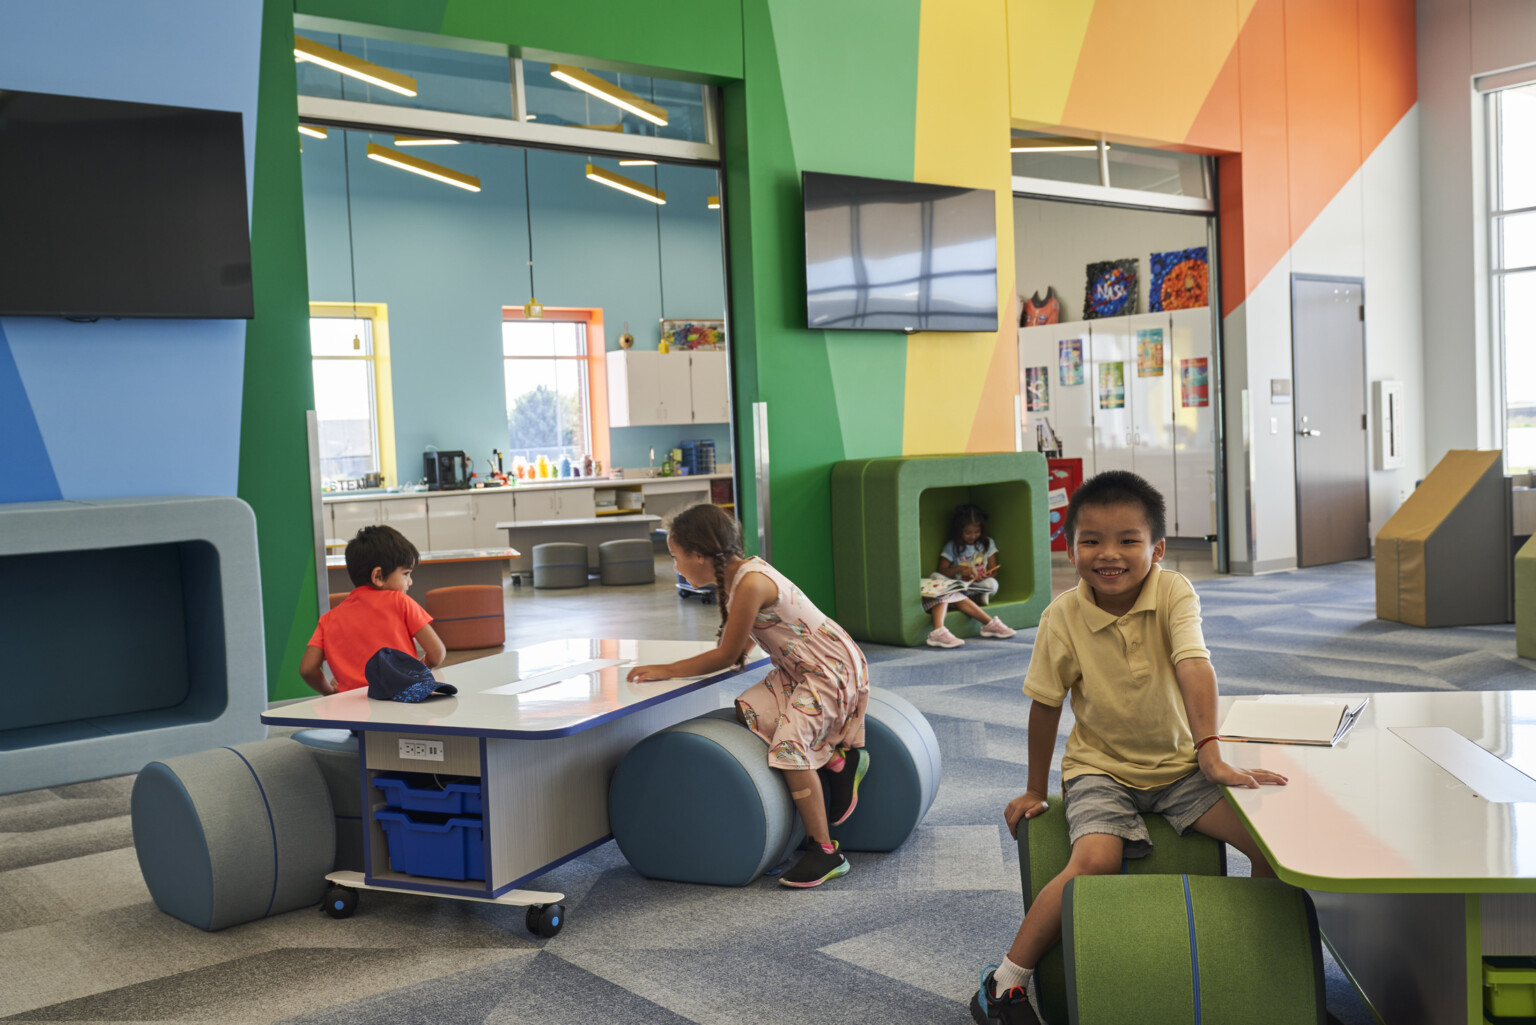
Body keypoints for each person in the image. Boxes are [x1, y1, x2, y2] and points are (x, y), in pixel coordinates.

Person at [971, 471, 1288, 1025]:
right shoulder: (1061, 617)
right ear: (1070, 549)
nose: (1108, 555)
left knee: (1270, 845)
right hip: (1102, 769)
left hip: (1181, 767)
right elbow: (1045, 704)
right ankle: (1004, 984)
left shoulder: (1173, 591)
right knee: (1096, 860)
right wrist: (1031, 787)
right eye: (1091, 540)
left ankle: (1258, 960)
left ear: (1157, 549)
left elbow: (1194, 664)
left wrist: (1210, 754)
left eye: (1128, 540)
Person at [627, 504, 871, 889]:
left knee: (790, 750)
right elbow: (739, 651)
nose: (675, 567)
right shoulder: (738, 579)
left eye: (676, 558)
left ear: (699, 555)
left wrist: (668, 669)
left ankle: (825, 851)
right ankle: (838, 763)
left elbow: (727, 655)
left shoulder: (751, 583)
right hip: (802, 669)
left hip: (827, 672)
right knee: (750, 710)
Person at [299, 525, 446, 696]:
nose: (410, 581)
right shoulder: (400, 602)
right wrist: (416, 670)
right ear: (378, 576)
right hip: (402, 701)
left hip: (353, 709)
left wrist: (331, 693)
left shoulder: (328, 619)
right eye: (406, 573)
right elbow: (437, 653)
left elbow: (307, 669)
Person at [925, 503, 1016, 648]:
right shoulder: (952, 546)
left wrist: (983, 576)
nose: (972, 536)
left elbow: (994, 571)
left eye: (976, 532)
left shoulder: (987, 543)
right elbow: (941, 571)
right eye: (968, 532)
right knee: (936, 577)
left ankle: (984, 620)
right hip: (956, 585)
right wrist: (959, 569)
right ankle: (987, 622)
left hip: (974, 586)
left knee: (992, 584)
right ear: (959, 531)